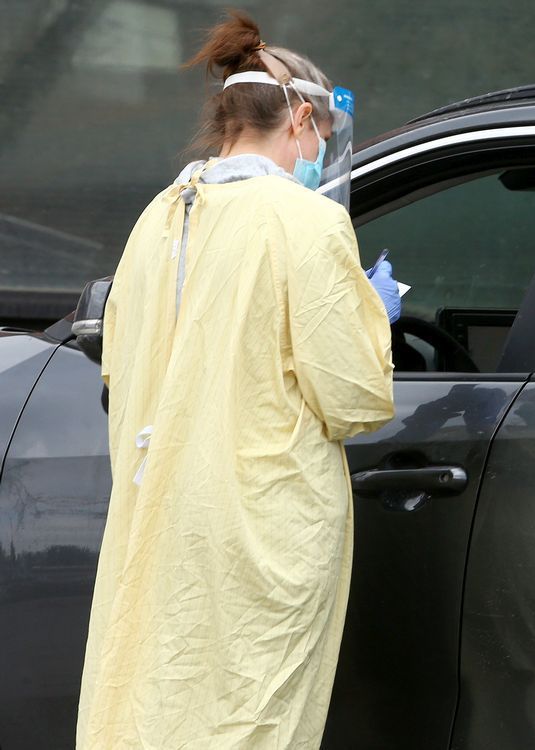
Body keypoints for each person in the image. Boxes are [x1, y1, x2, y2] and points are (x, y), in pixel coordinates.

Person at [76, 11, 396, 749]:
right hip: (263, 526)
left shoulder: (156, 219)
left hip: (160, 515)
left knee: (154, 706)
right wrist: (370, 316)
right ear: (303, 119)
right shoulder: (305, 221)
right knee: (251, 719)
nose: (318, 157)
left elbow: (124, 369)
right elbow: (353, 397)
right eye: (318, 141)